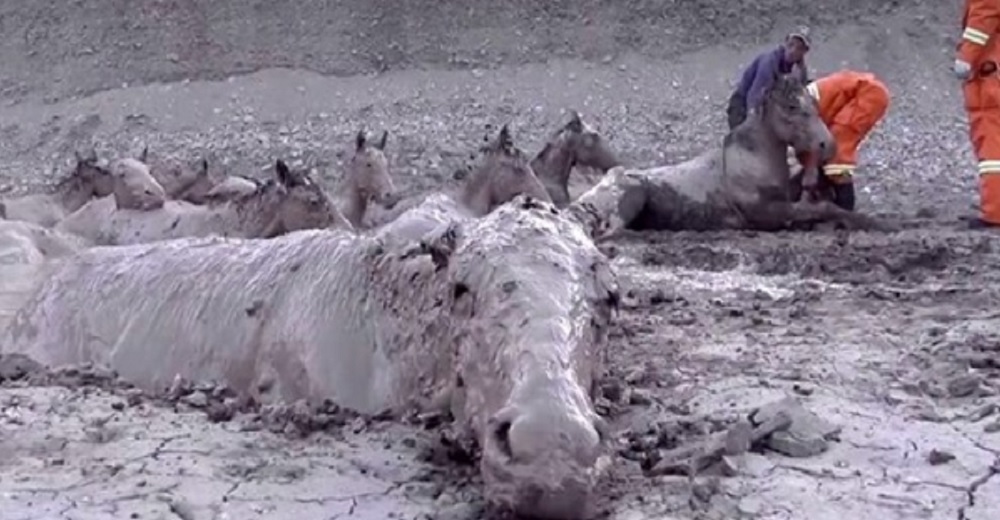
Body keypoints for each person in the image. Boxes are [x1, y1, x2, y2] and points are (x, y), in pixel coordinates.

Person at [799, 70, 891, 211]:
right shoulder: (805, 98)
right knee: (830, 149)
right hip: (865, 91)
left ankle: (845, 209)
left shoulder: (801, 107)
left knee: (838, 149)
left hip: (868, 94)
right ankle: (839, 202)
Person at [954, 0, 1000, 228]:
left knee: (992, 155)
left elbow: (981, 23)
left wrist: (965, 58)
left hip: (989, 86)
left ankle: (994, 213)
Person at [726, 27, 812, 130]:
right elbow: (755, 95)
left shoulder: (799, 69)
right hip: (743, 105)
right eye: (791, 44)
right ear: (785, 43)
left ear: (804, 52)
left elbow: (800, 96)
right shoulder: (770, 62)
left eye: (799, 48)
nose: (793, 51)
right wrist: (752, 122)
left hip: (769, 109)